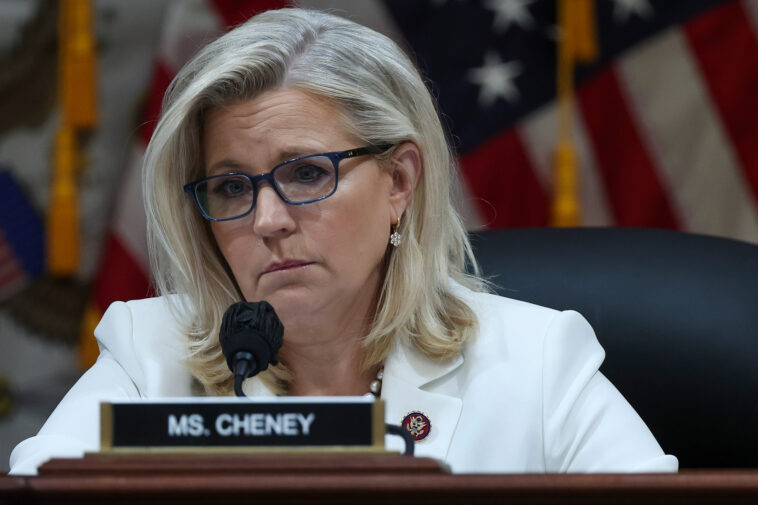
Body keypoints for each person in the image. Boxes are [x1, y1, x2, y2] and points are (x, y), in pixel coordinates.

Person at [9, 8, 677, 475]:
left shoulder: (535, 362)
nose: (267, 219)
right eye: (233, 188)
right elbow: (43, 483)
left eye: (305, 173)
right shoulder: (150, 355)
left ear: (399, 181)